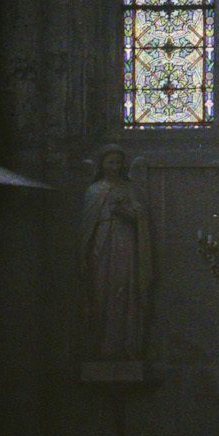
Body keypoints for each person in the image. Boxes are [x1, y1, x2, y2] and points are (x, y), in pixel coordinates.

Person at [80, 147, 153, 363]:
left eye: (118, 162)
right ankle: (102, 346)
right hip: (101, 243)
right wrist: (83, 253)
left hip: (124, 242)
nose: (115, 166)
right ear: (102, 164)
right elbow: (86, 226)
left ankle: (125, 345)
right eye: (110, 162)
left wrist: (126, 212)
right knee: (101, 291)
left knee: (124, 290)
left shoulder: (129, 188)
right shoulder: (94, 190)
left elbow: (140, 216)